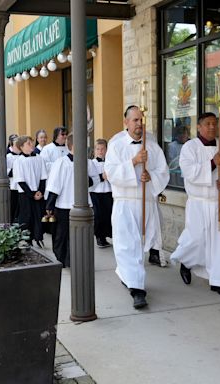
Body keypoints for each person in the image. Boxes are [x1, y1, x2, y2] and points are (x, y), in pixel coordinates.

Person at [170, 113, 220, 295]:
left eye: (215, 124)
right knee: (196, 239)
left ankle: (219, 281)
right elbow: (188, 171)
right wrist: (212, 163)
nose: (212, 127)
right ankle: (186, 262)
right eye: (207, 124)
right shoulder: (190, 147)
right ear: (199, 127)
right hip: (199, 203)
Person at [104, 106, 169, 309]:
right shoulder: (116, 144)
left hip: (145, 202)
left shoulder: (152, 144)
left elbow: (163, 171)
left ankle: (130, 276)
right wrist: (133, 162)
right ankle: (137, 289)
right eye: (135, 120)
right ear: (126, 122)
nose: (139, 124)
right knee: (126, 245)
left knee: (140, 246)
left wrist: (151, 177)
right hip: (125, 202)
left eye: (141, 120)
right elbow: (110, 173)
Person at [45, 133, 99, 267]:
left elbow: (95, 179)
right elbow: (54, 185)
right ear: (74, 146)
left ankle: (77, 259)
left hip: (83, 205)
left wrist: (84, 180)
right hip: (63, 205)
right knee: (61, 235)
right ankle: (62, 259)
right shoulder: (62, 162)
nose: (86, 147)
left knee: (80, 235)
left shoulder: (88, 162)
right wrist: (50, 205)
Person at [13, 136, 48, 247]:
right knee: (27, 217)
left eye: (31, 142)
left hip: (38, 192)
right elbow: (20, 181)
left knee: (39, 216)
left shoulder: (39, 158)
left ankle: (38, 237)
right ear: (22, 147)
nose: (31, 145)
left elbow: (43, 177)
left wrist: (40, 191)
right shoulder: (19, 161)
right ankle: (28, 239)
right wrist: (32, 195)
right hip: (26, 194)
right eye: (28, 143)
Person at [90, 139, 113, 248]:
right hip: (96, 192)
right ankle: (99, 237)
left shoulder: (110, 162)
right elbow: (90, 179)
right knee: (98, 216)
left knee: (107, 215)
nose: (100, 151)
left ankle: (105, 237)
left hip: (108, 191)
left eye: (103, 149)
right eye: (98, 149)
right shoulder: (91, 163)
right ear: (94, 150)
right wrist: (101, 176)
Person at [7, 134, 20, 222]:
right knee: (13, 206)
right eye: (16, 145)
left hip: (22, 187)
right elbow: (8, 173)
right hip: (13, 186)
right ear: (11, 146)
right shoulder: (9, 157)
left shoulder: (23, 156)